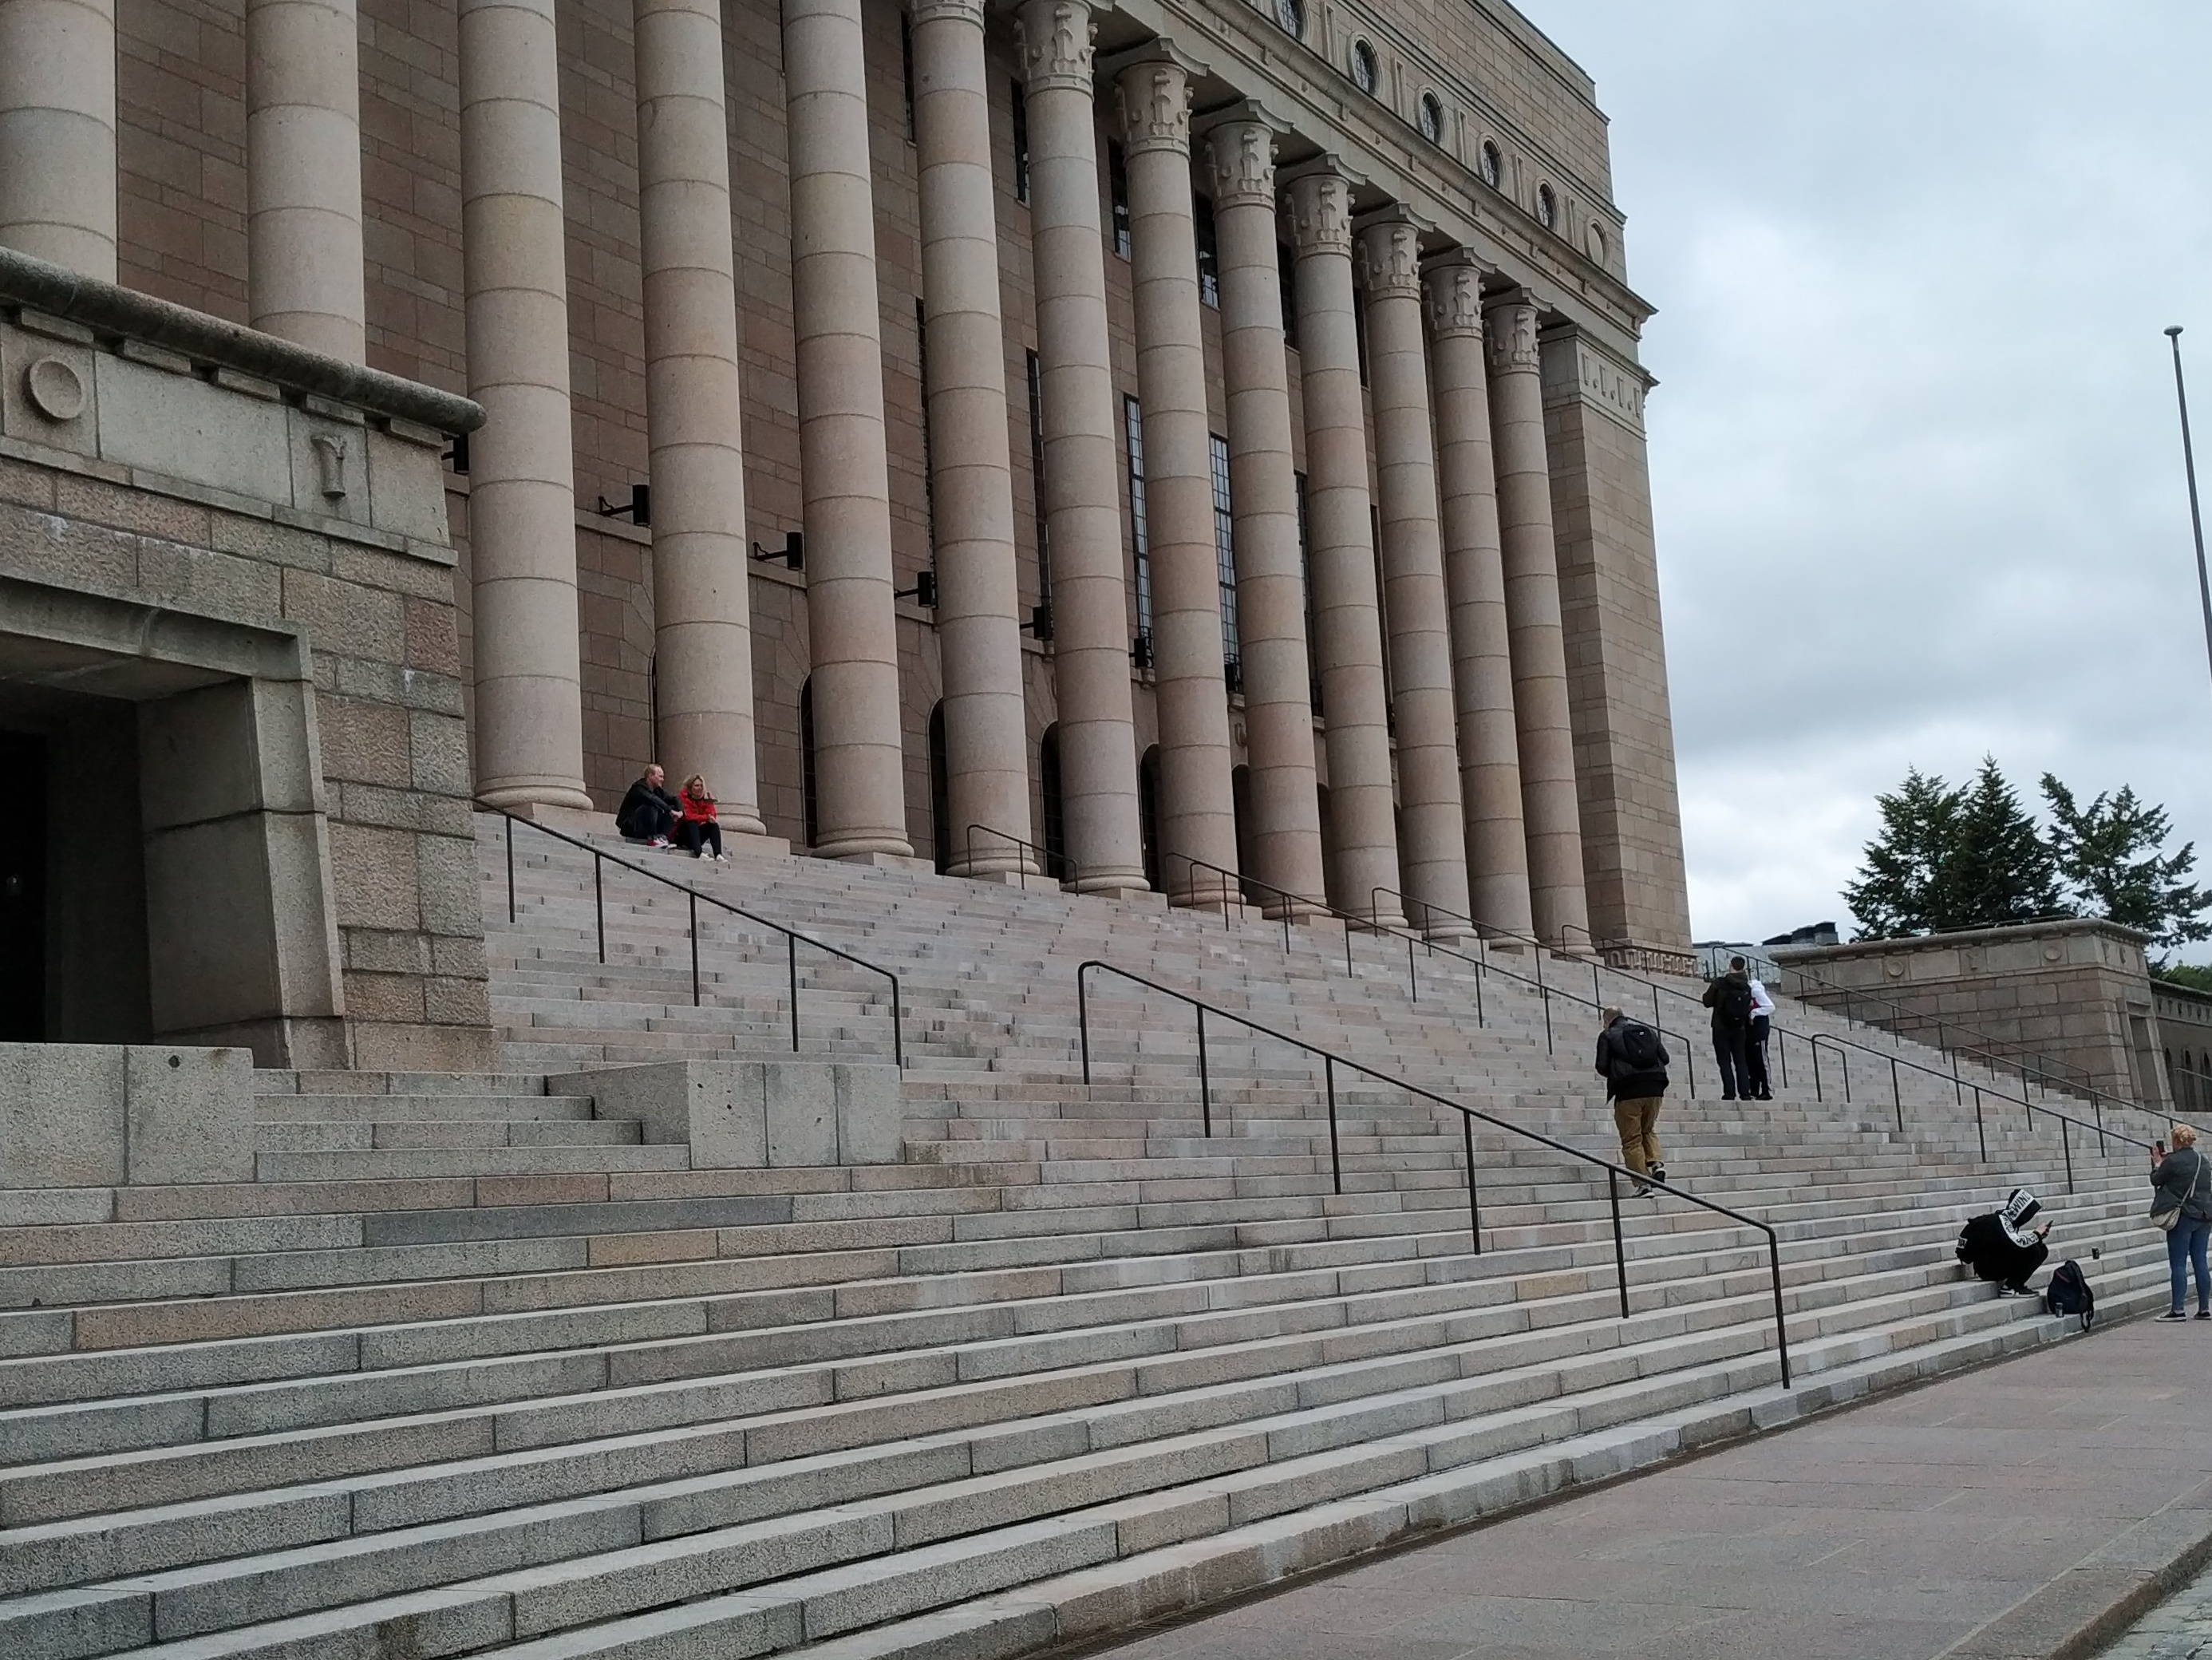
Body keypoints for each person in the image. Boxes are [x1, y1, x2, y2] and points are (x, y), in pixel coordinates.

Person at [1594, 1005, 1670, 1197]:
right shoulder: (1647, 1031)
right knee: (1648, 1129)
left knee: (1631, 1140)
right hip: (1656, 1087)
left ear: (1606, 1021)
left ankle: (1643, 1185)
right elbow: (1665, 1058)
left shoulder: (1608, 1035)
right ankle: (1656, 1163)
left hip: (1628, 1091)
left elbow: (1601, 1066)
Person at [2151, 1123, 2212, 1322]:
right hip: (2204, 1215)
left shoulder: (2172, 1161)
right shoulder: (2203, 1159)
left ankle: (2178, 1309)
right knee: (2200, 1261)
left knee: (2178, 1263)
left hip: (2183, 1215)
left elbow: (2156, 1180)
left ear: (2176, 1141)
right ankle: (2204, 1308)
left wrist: (2158, 1163)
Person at [1956, 1188, 2050, 1296]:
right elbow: (2019, 1244)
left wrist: (2038, 1238)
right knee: (2034, 1250)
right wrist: (2037, 1234)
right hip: (1987, 1269)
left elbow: (2011, 1245)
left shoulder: (2004, 1221)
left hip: (1990, 1264)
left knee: (2040, 1248)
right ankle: (2010, 1287)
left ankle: (2015, 1284)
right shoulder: (2001, 1221)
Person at [1701, 955, 1756, 1101]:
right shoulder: (1747, 986)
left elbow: (1707, 1001)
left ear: (1731, 965)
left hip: (1721, 1026)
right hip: (1740, 1028)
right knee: (1741, 1061)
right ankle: (1745, 1093)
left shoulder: (1720, 983)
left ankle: (1729, 1093)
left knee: (1724, 1061)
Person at [616, 764, 682, 847]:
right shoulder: (638, 788)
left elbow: (674, 799)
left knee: (671, 807)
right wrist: (669, 810)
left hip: (643, 826)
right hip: (630, 826)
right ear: (651, 776)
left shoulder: (658, 790)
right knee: (651, 806)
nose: (663, 780)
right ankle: (653, 838)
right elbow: (652, 798)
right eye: (660, 776)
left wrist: (680, 811)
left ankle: (662, 837)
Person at [677, 773, 727, 862]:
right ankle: (698, 853)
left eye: (701, 786)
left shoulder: (706, 798)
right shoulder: (683, 797)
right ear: (690, 787)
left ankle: (718, 854)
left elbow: (711, 814)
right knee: (692, 823)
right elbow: (687, 816)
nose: (699, 788)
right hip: (684, 833)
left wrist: (709, 818)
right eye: (696, 786)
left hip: (697, 834)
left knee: (713, 826)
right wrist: (705, 818)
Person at [1744, 974, 1776, 1101]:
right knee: (1751, 1061)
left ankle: (1767, 1090)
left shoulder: (1755, 990)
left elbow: (1770, 1007)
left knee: (1761, 1060)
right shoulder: (1745, 993)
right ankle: (1754, 1090)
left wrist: (1754, 1013)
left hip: (1759, 1030)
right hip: (1749, 1031)